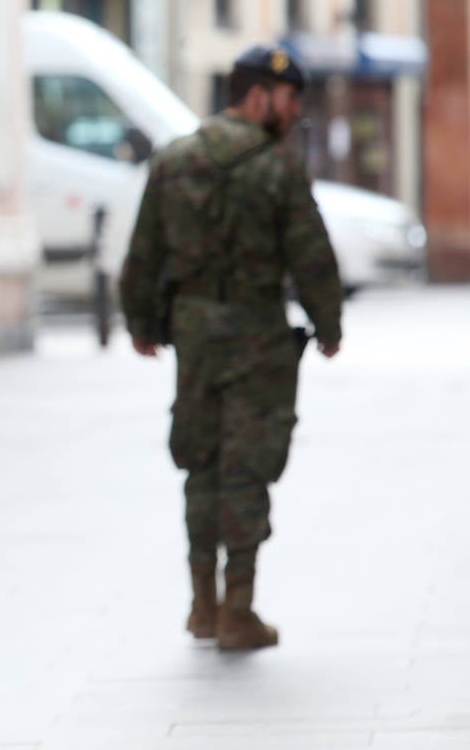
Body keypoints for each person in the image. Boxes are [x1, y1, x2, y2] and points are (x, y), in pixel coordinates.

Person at [118, 45, 344, 651]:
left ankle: (202, 606)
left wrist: (140, 322)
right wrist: (328, 324)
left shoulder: (174, 161)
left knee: (201, 462)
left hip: (193, 333)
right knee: (246, 468)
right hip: (257, 336)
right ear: (257, 96)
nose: (295, 113)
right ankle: (238, 609)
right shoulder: (277, 167)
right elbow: (312, 253)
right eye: (291, 100)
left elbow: (142, 254)